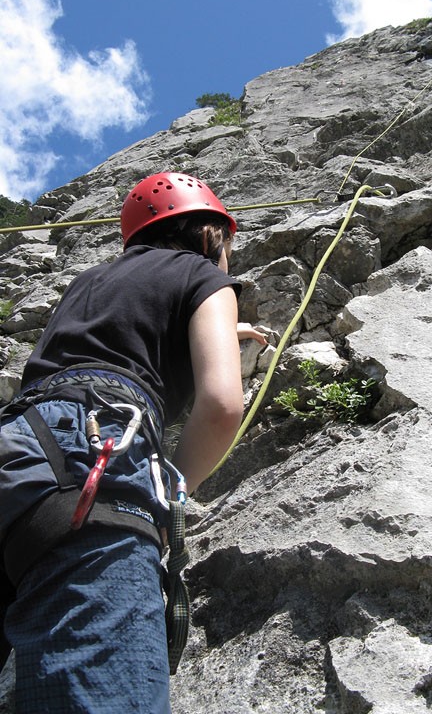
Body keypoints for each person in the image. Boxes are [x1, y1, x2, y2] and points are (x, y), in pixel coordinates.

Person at [0, 172, 266, 713]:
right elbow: (221, 405)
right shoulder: (202, 275)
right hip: (95, 450)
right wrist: (173, 498)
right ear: (212, 235)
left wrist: (212, 329)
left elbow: (120, 332)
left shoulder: (88, 282)